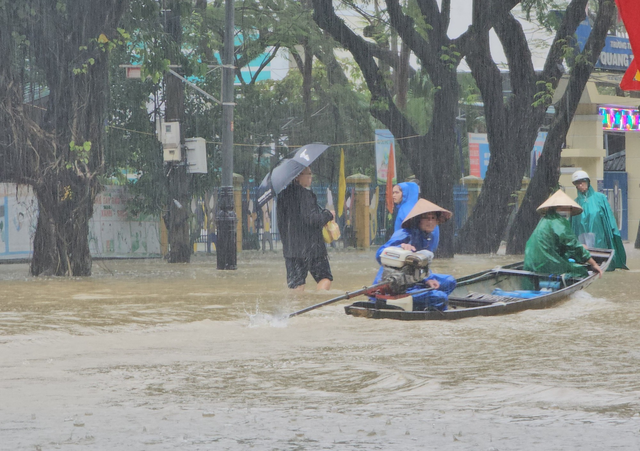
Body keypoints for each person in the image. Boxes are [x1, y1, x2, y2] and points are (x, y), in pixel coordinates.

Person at [374, 199, 456, 311]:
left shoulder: (428, 237)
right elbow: (379, 254)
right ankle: (430, 303)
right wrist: (400, 248)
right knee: (440, 297)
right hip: (397, 283)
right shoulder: (404, 234)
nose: (430, 222)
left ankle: (427, 304)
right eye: (426, 218)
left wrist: (428, 279)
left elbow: (423, 266)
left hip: (416, 280)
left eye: (433, 218)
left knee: (449, 281)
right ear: (418, 220)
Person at [276, 167, 334, 291]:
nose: (310, 177)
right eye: (308, 174)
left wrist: (287, 244)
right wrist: (328, 215)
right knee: (325, 278)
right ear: (297, 176)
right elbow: (312, 220)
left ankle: (296, 309)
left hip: (291, 250)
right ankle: (318, 307)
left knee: (297, 285)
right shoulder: (306, 195)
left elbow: (281, 224)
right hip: (312, 248)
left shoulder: (281, 197)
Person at [524, 189, 603, 279]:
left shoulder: (545, 221)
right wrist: (594, 264)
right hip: (546, 263)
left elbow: (563, 243)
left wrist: (580, 247)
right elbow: (573, 245)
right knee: (580, 271)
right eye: (562, 208)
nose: (566, 211)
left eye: (568, 208)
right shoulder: (558, 222)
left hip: (531, 263)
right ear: (554, 208)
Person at [570, 170, 628, 271]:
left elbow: (609, 219)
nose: (580, 186)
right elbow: (572, 225)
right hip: (582, 237)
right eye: (577, 184)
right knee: (586, 264)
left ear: (587, 182)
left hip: (599, 236)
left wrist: (613, 233)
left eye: (582, 182)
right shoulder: (575, 203)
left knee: (600, 258)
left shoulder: (600, 198)